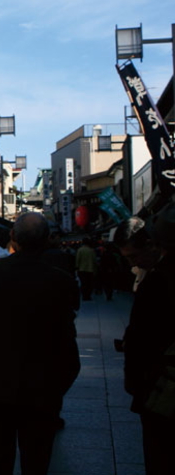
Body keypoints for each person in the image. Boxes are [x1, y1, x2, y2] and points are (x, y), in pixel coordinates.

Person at [0, 212, 80, 475]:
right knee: (36, 460)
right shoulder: (61, 282)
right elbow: (67, 345)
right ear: (47, 239)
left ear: (13, 237)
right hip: (42, 389)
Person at [114, 204, 175, 475]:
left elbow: (144, 340)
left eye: (134, 256)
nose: (133, 263)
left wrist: (137, 383)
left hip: (162, 389)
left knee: (160, 455)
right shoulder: (153, 275)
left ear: (154, 244)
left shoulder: (161, 281)